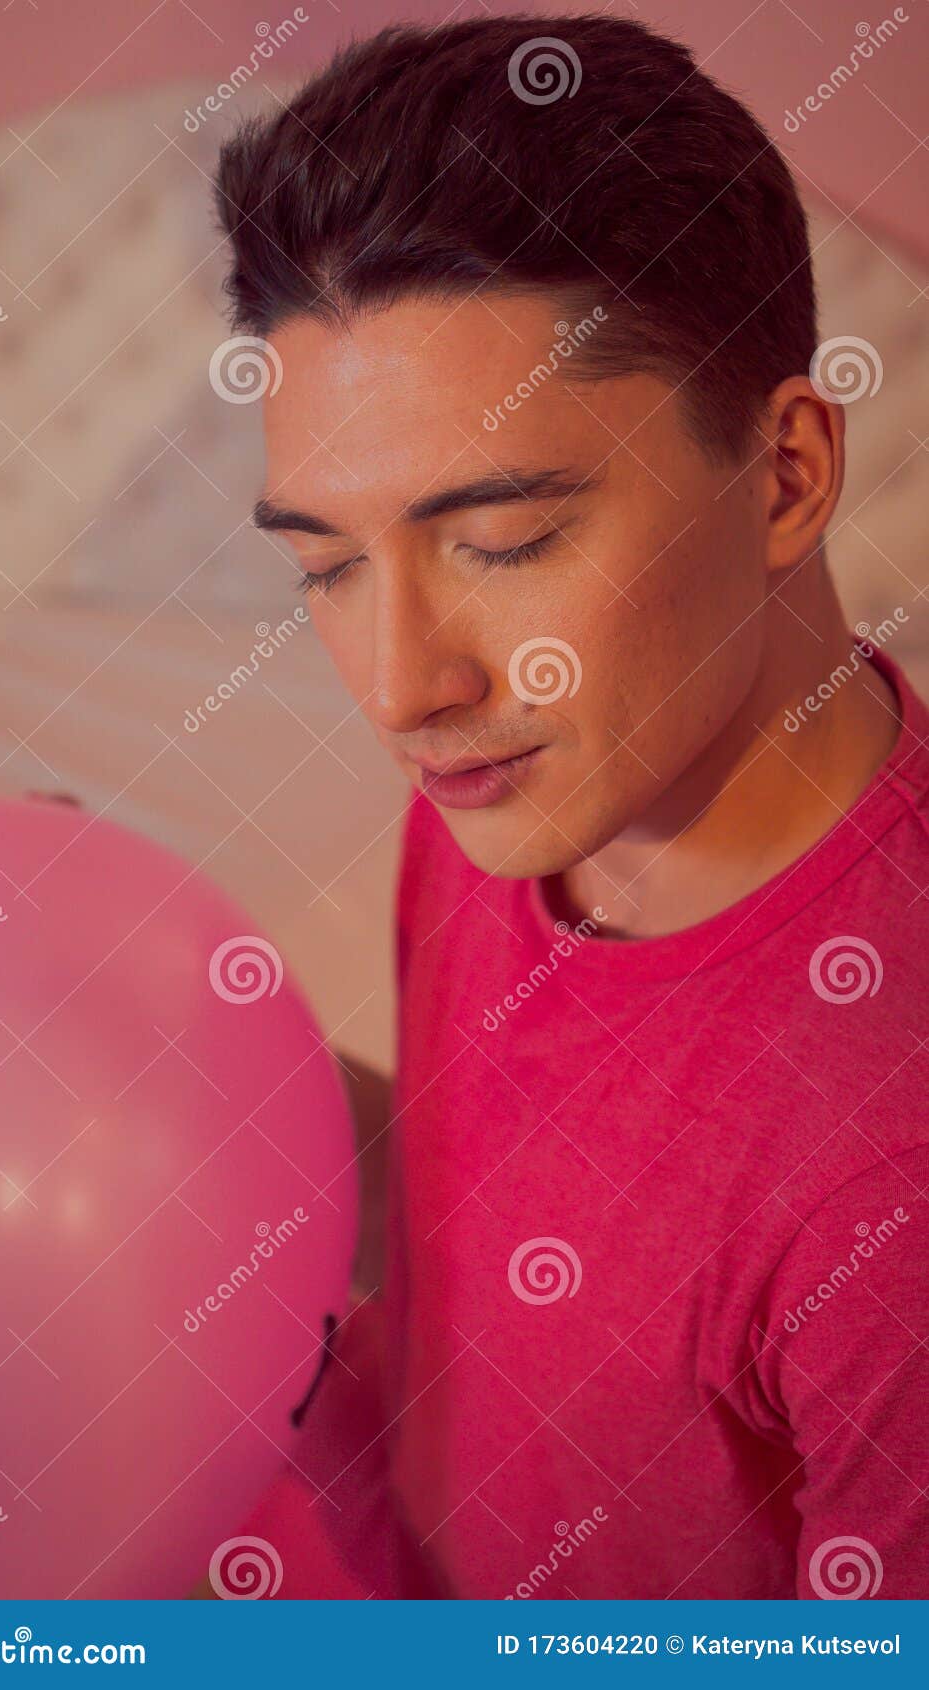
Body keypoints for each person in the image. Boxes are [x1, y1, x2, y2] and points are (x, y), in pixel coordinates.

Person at [192, 12, 929, 1599]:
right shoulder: (515, 782)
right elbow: (555, 1181)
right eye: (323, 563)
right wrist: (211, 1085)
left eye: (505, 541)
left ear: (790, 472)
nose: (401, 686)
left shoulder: (892, 1183)